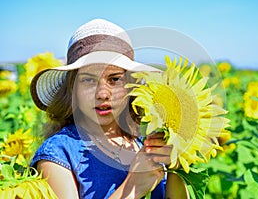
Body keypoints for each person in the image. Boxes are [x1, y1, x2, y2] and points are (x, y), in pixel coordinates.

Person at [30, 18, 188, 199]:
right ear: (73, 89)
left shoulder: (145, 141)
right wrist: (133, 187)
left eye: (114, 79)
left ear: (131, 85)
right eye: (88, 80)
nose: (102, 94)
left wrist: (177, 167)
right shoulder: (59, 153)